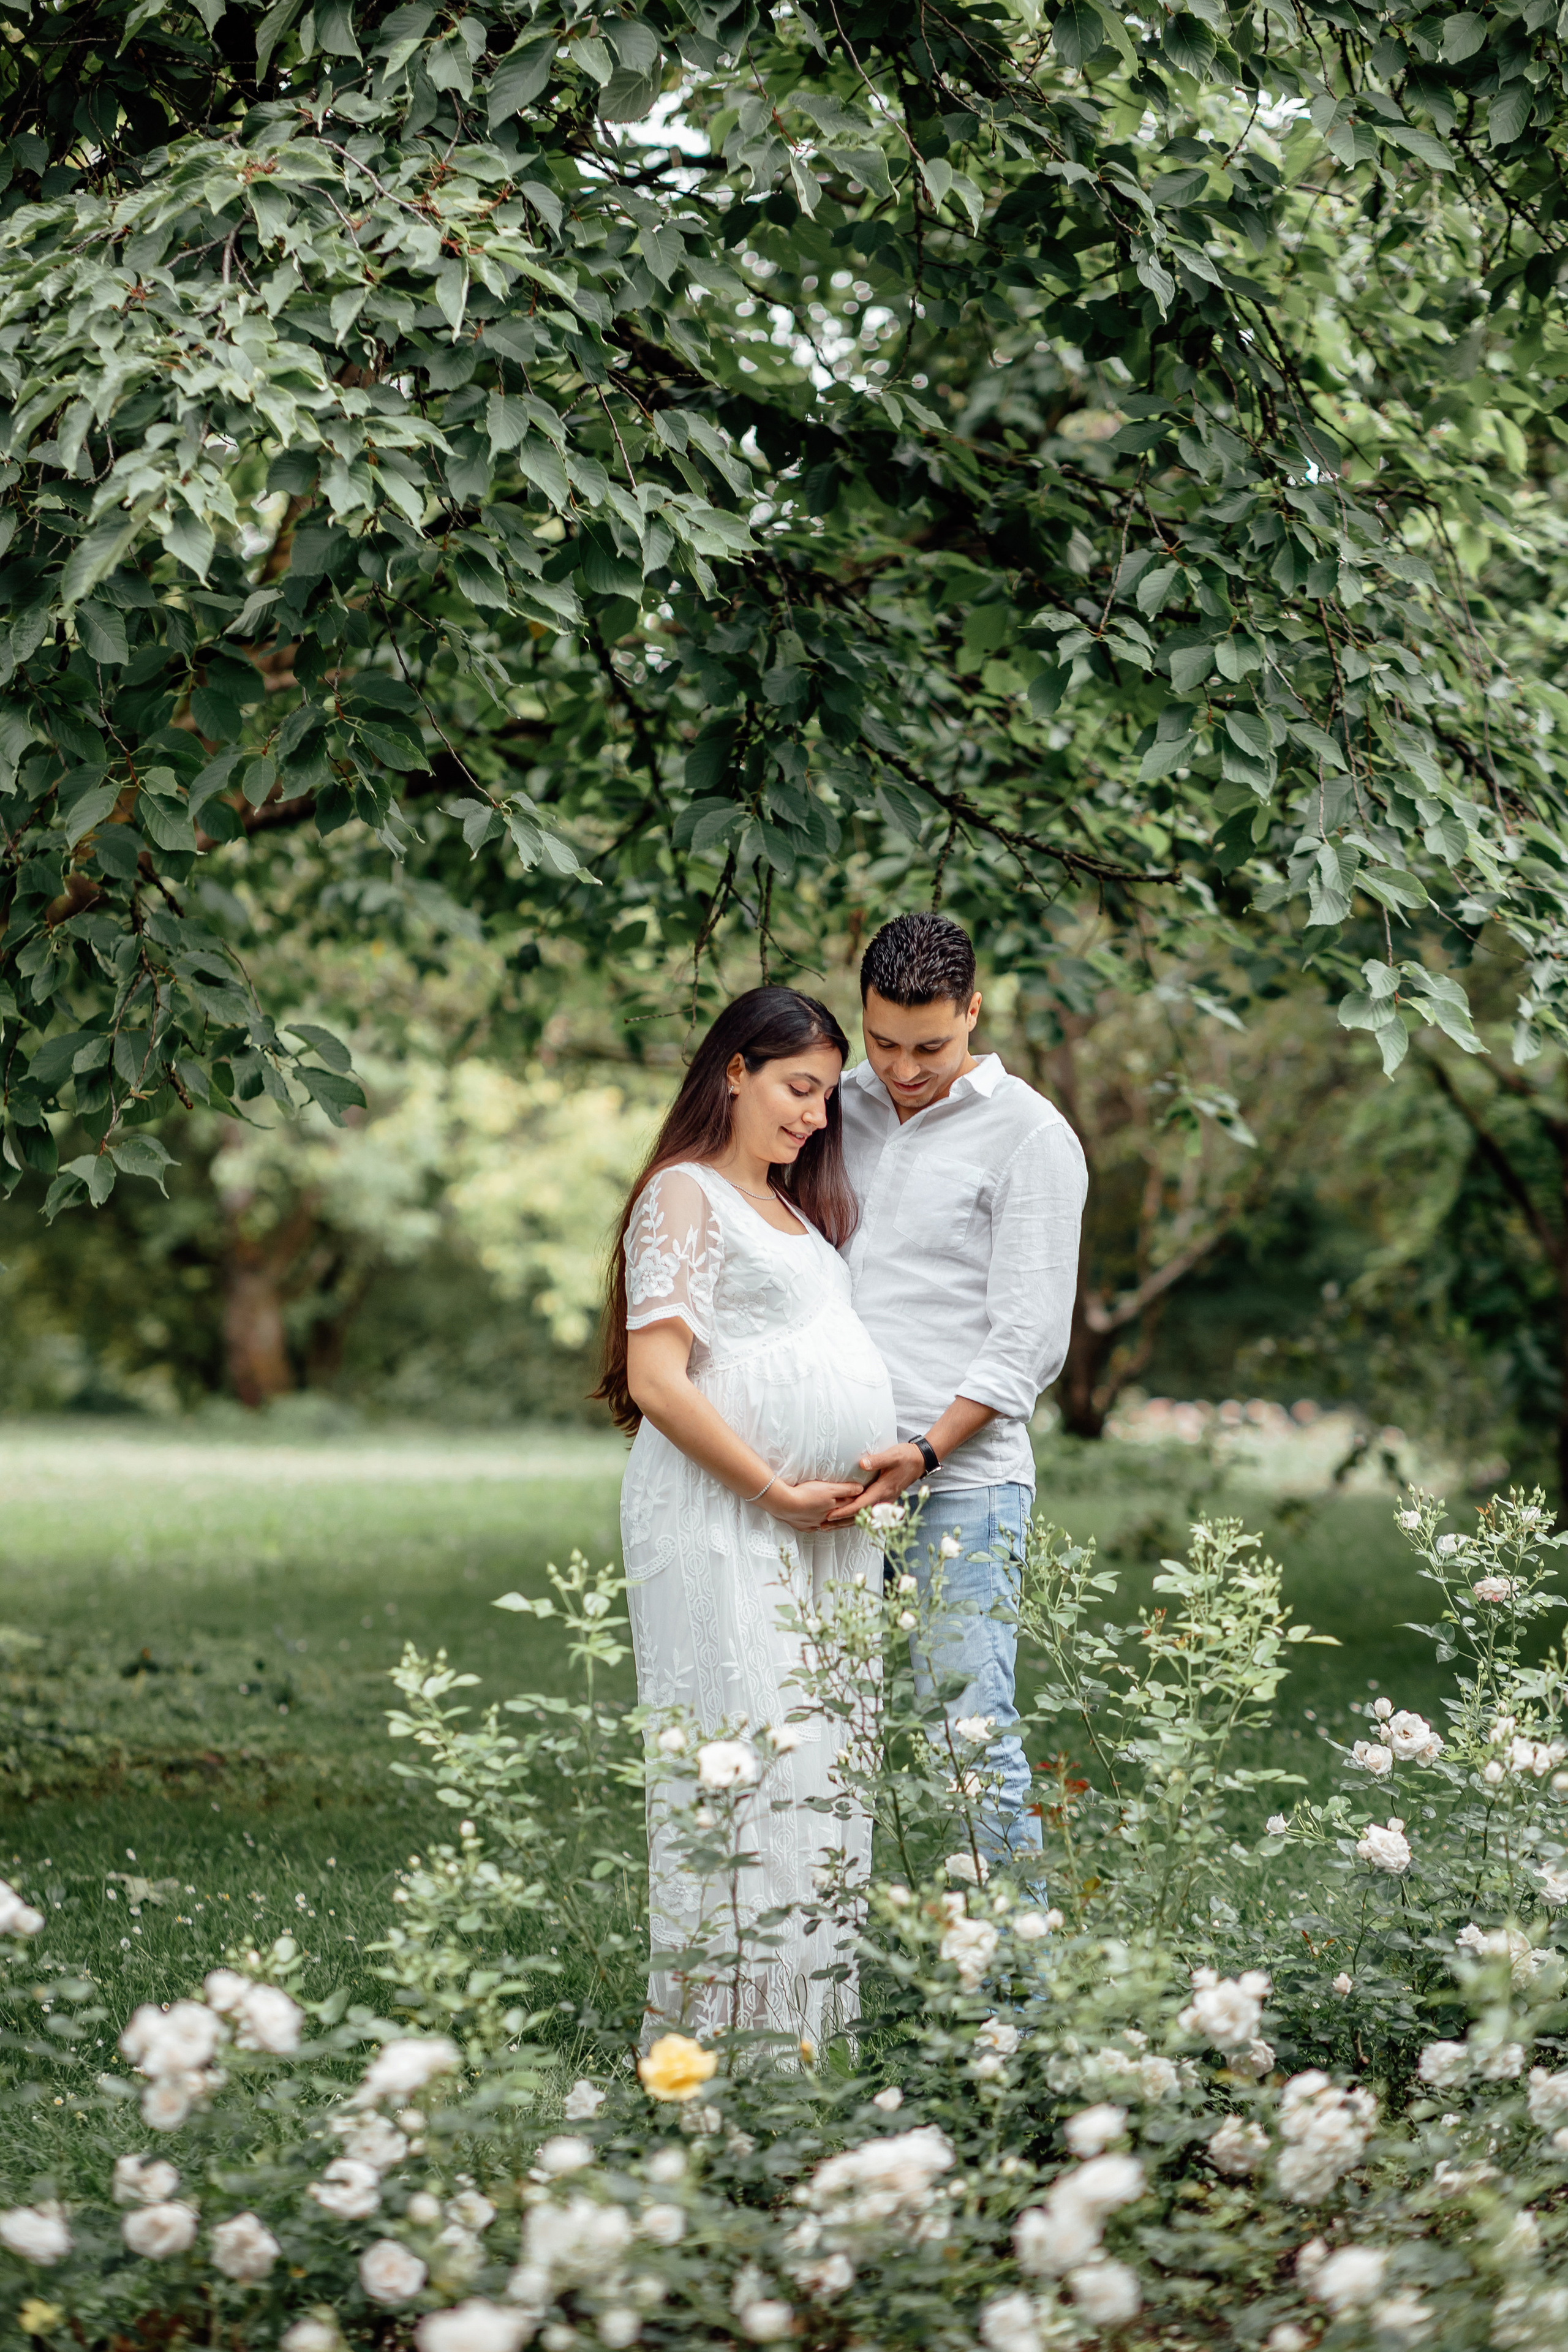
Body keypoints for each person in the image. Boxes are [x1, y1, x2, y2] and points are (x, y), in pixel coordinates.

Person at [596, 986, 896, 2047]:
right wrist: (775, 1488)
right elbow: (660, 1381)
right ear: (734, 1071)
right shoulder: (684, 1195)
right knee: (746, 1759)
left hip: (828, 1530)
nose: (817, 1116)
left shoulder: (796, 1213)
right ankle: (725, 2047)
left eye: (825, 1097)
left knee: (824, 1765)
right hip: (728, 1517)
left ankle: (810, 2030)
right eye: (798, 1089)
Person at [826, 911, 1087, 1865]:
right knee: (814, 1719)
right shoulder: (834, 1106)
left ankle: (1010, 1998)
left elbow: (1027, 1343)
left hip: (959, 1484)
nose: (901, 1067)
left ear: (974, 1011)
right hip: (833, 1473)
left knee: (969, 1741)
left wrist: (927, 1448)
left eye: (929, 1045)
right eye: (882, 1040)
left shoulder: (1030, 1137)